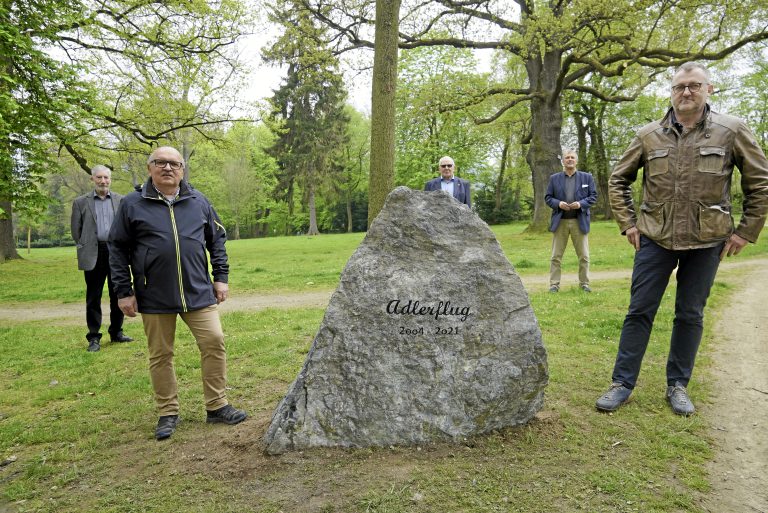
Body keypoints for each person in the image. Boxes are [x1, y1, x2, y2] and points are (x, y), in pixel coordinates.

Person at [596, 62, 768, 416]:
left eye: (694, 85)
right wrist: (629, 224)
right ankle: (622, 383)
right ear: (671, 92)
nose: (686, 92)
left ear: (709, 89)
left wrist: (745, 231)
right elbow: (618, 180)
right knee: (639, 311)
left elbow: (761, 183)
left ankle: (678, 385)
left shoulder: (731, 130)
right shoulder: (648, 135)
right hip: (654, 239)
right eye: (679, 86)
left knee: (690, 314)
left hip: (708, 241)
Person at [109, 146, 247, 440]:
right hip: (153, 294)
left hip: (198, 291)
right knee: (161, 355)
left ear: (182, 169)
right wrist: (123, 291)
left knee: (214, 342)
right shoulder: (132, 204)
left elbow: (217, 240)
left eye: (174, 163)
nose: (168, 168)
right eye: (161, 162)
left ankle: (217, 405)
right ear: (150, 168)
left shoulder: (199, 201)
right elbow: (117, 248)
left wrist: (221, 277)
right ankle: (168, 413)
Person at [71, 165, 133, 352]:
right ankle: (93, 337)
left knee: (118, 294)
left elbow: (128, 227)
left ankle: (116, 332)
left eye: (106, 177)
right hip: (93, 253)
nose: (103, 181)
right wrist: (86, 245)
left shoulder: (122, 200)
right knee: (93, 297)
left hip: (117, 252)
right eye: (99, 177)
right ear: (92, 179)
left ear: (110, 179)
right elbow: (76, 231)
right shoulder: (80, 202)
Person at [544, 150, 597, 293]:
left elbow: (593, 196)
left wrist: (580, 204)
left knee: (584, 256)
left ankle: (584, 284)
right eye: (567, 157)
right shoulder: (554, 178)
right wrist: (558, 204)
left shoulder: (587, 178)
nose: (570, 159)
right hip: (560, 221)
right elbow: (548, 197)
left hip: (579, 222)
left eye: (572, 157)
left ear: (576, 161)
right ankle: (554, 285)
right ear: (563, 161)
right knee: (556, 256)